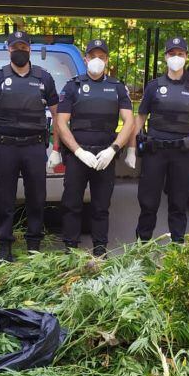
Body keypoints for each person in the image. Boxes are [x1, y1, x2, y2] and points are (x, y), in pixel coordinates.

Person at [0, 30, 59, 267]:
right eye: (15, 47)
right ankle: (4, 250)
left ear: (30, 49)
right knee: (4, 199)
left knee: (37, 199)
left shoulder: (44, 78)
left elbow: (58, 115)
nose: (19, 51)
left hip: (34, 147)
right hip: (6, 147)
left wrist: (56, 148)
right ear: (8, 49)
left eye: (23, 47)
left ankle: (34, 249)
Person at [52, 38, 135, 256]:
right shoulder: (73, 86)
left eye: (101, 57)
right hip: (77, 155)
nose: (97, 60)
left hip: (104, 155)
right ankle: (70, 251)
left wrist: (114, 149)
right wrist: (78, 151)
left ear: (107, 60)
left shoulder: (117, 88)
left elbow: (130, 121)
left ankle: (100, 251)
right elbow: (61, 122)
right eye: (93, 56)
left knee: (101, 206)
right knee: (71, 204)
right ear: (86, 59)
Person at [129, 37, 189, 244]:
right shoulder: (154, 86)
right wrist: (131, 148)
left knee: (179, 202)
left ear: (186, 57)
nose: (176, 58)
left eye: (181, 54)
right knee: (148, 202)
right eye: (172, 54)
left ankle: (178, 245)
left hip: (183, 153)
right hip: (155, 152)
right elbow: (140, 118)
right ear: (166, 57)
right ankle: (142, 245)